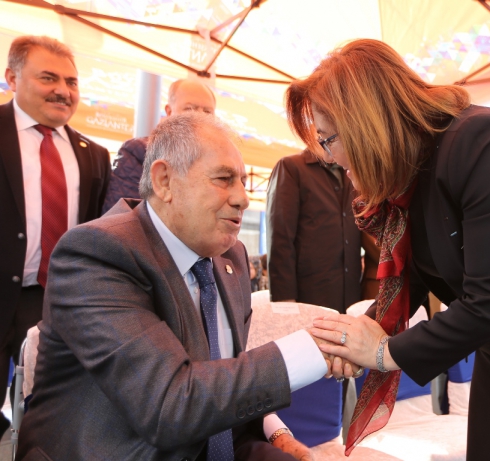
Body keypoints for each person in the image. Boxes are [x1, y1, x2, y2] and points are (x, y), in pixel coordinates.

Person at [287, 39, 490, 461]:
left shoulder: (483, 140)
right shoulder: (411, 177)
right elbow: (409, 282)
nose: (329, 157)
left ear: (364, 124)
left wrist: (383, 353)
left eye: (327, 139)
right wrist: (350, 339)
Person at [17, 112, 356, 461]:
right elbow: (169, 405)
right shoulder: (96, 254)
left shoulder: (232, 258)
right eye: (224, 179)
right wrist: (317, 347)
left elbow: (222, 379)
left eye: (243, 181)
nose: (243, 198)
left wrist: (276, 432)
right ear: (164, 181)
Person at [0, 35, 110, 437]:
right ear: (12, 78)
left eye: (72, 82)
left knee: (48, 416)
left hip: (54, 303)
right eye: (48, 78)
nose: (63, 90)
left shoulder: (93, 155)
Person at [267, 149, 361, 313]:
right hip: (309, 296)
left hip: (351, 297)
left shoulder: (351, 172)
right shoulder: (291, 167)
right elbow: (280, 237)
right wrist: (285, 301)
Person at [102, 78, 216, 213]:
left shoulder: (216, 161)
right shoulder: (139, 152)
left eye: (207, 111)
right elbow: (121, 215)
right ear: (169, 112)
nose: (200, 116)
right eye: (189, 108)